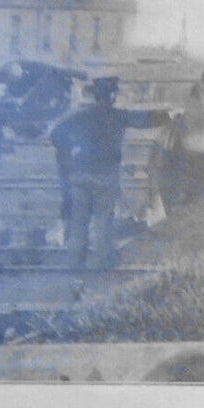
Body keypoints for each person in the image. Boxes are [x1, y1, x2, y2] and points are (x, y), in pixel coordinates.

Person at [49, 77, 172, 269]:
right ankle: (100, 264)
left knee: (79, 219)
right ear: (113, 96)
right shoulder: (118, 116)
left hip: (80, 174)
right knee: (103, 220)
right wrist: (167, 114)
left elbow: (55, 135)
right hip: (106, 175)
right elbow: (146, 120)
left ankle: (74, 263)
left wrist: (71, 151)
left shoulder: (79, 116)